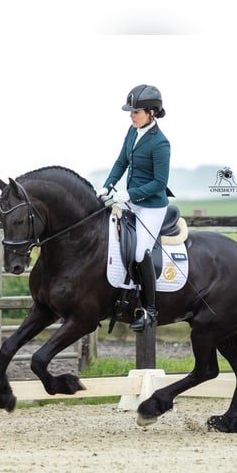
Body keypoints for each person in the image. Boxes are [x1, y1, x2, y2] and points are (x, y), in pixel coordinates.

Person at [97, 84, 172, 332]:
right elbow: (121, 162)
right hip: (129, 200)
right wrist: (108, 186)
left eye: (136, 111)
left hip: (151, 206)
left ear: (152, 112)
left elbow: (159, 183)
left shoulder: (161, 143)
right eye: (130, 111)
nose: (131, 115)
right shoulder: (132, 131)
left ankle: (150, 310)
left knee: (140, 253)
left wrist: (128, 194)